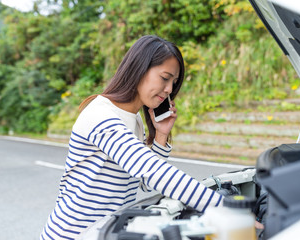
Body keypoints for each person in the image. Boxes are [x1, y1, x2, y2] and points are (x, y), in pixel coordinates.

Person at [40, 35, 223, 239]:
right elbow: (152, 171)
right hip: (73, 234)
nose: (169, 89)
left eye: (174, 82)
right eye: (165, 78)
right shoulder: (101, 115)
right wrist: (223, 208)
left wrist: (161, 135)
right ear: (140, 68)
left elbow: (143, 182)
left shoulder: (134, 119)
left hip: (106, 232)